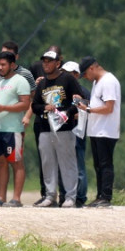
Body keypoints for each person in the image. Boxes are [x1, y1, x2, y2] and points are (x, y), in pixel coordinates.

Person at [31, 48, 84, 208]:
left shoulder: (68, 79)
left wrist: (67, 112)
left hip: (64, 128)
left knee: (67, 162)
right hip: (45, 128)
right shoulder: (43, 83)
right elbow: (35, 105)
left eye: (49, 61)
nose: (46, 64)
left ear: (57, 63)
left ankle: (70, 197)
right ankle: (50, 195)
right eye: (44, 61)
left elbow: (81, 100)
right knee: (48, 163)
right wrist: (44, 108)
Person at [0, 51, 31, 207]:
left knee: (16, 162)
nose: (0, 68)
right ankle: (0, 197)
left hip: (13, 128)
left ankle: (16, 198)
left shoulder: (20, 81)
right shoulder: (1, 84)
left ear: (12, 65)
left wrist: (3, 107)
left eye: (3, 65)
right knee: (0, 161)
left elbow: (25, 104)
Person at [79, 56, 121, 208]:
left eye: (85, 74)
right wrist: (84, 103)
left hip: (106, 130)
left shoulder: (109, 81)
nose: (86, 78)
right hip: (96, 129)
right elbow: (98, 103)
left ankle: (106, 196)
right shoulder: (97, 82)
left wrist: (88, 109)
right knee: (98, 165)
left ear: (92, 68)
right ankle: (99, 195)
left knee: (105, 163)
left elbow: (109, 107)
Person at [61, 60, 90, 207]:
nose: (66, 76)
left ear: (77, 75)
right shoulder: (61, 91)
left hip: (77, 132)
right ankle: (63, 195)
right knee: (63, 165)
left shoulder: (83, 91)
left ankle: (80, 197)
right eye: (64, 73)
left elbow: (85, 112)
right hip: (62, 132)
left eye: (70, 73)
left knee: (78, 165)